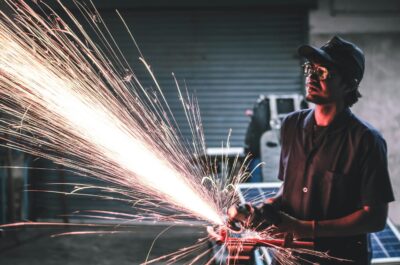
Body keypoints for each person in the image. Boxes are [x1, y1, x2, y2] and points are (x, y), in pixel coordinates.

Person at [228, 36, 395, 264]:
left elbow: (374, 218)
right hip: (290, 257)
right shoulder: (290, 125)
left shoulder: (366, 140)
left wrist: (305, 228)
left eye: (323, 72)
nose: (311, 77)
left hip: (339, 258)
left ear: (349, 84)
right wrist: (263, 209)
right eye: (310, 69)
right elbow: (289, 190)